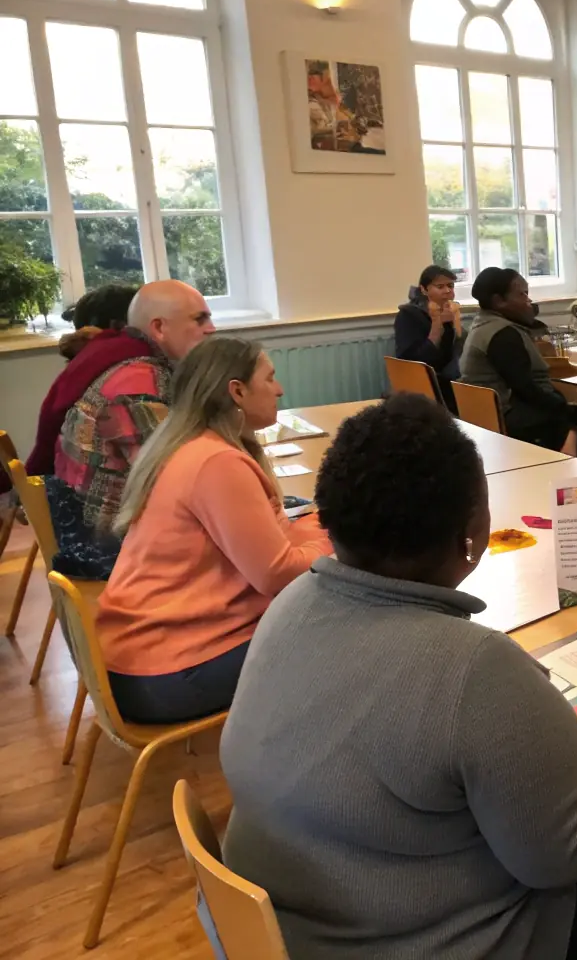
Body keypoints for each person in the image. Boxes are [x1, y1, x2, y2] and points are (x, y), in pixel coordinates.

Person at [219, 394, 577, 959]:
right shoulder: (478, 669)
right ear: (472, 532)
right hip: (406, 941)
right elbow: (559, 858)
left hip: (286, 927)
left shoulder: (292, 601)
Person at [97, 337, 331, 723]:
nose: (280, 389)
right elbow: (277, 574)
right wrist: (329, 533)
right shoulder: (217, 462)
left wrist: (311, 529)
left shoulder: (187, 445)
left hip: (139, 657)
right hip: (166, 674)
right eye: (270, 379)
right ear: (236, 391)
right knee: (350, 632)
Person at [46, 279, 216, 579]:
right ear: (159, 328)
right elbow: (180, 477)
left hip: (89, 532)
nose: (211, 328)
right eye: (199, 319)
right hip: (106, 549)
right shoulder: (137, 384)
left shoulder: (130, 361)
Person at [0, 283, 141, 500]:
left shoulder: (79, 372)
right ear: (119, 325)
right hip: (80, 507)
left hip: (52, 492)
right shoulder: (123, 373)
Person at [460, 266, 577, 453]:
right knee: (573, 419)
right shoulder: (503, 334)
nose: (529, 300)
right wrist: (561, 405)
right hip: (506, 415)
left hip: (487, 412)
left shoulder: (482, 323)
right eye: (522, 295)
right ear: (498, 301)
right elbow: (526, 388)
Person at [393, 264, 464, 410]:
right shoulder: (408, 315)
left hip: (449, 376)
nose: (447, 291)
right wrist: (437, 325)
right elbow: (412, 360)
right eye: (440, 287)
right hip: (425, 381)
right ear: (424, 290)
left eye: (450, 286)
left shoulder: (449, 310)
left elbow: (451, 352)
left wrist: (452, 326)